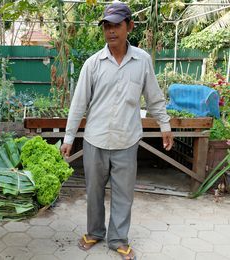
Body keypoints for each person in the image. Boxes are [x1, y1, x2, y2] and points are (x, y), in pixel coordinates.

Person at [60, 2, 173, 259]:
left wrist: (165, 125)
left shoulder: (142, 61)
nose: (111, 31)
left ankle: (119, 239)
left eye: (116, 25)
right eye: (107, 26)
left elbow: (154, 98)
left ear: (129, 26)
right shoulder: (93, 63)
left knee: (124, 195)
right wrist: (68, 138)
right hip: (95, 140)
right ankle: (94, 232)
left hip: (126, 140)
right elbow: (78, 103)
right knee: (94, 192)